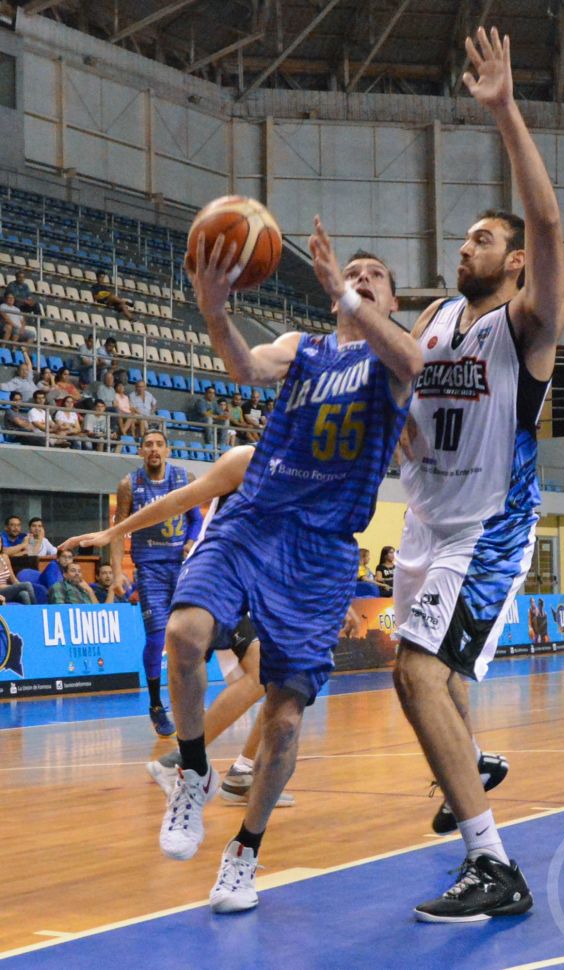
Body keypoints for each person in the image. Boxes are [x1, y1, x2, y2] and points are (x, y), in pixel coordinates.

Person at [154, 215, 421, 912]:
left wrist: (347, 292)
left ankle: (244, 852)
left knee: (284, 719)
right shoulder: (304, 348)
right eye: (352, 274)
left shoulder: (394, 362)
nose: (362, 280)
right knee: (184, 634)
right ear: (332, 299)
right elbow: (246, 369)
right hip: (255, 519)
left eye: (375, 278)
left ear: (391, 301)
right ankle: (192, 770)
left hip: (321, 551)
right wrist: (215, 311)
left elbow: (415, 365)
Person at [392, 27, 564, 923]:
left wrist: (504, 110)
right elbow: (406, 411)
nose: (467, 247)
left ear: (516, 261)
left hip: (488, 528)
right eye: (465, 238)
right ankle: (473, 764)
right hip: (425, 521)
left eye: (484, 238)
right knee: (439, 678)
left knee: (416, 674)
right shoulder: (432, 319)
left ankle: (493, 864)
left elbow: (549, 223)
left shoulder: (526, 327)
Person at [61, 444, 294, 809]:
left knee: (283, 681)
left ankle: (242, 773)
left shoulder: (309, 481)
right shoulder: (247, 460)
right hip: (216, 578)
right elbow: (178, 501)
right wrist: (114, 532)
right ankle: (181, 759)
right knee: (262, 672)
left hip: (256, 588)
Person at [110, 428, 203, 737]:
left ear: (167, 451)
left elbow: (196, 519)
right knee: (156, 639)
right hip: (150, 570)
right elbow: (117, 531)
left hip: (182, 567)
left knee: (193, 635)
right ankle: (155, 705)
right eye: (148, 444)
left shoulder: (184, 478)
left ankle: (189, 699)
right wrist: (117, 571)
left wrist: (191, 541)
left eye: (159, 444)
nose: (153, 449)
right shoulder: (129, 484)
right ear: (140, 451)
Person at [0, 536, 37, 604]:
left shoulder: (4, 557)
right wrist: (18, 587)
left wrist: (19, 586)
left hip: (7, 590)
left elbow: (13, 579)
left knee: (24, 594)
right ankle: (37, 608)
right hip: (1, 593)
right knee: (27, 585)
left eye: (0, 542)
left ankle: (29, 611)